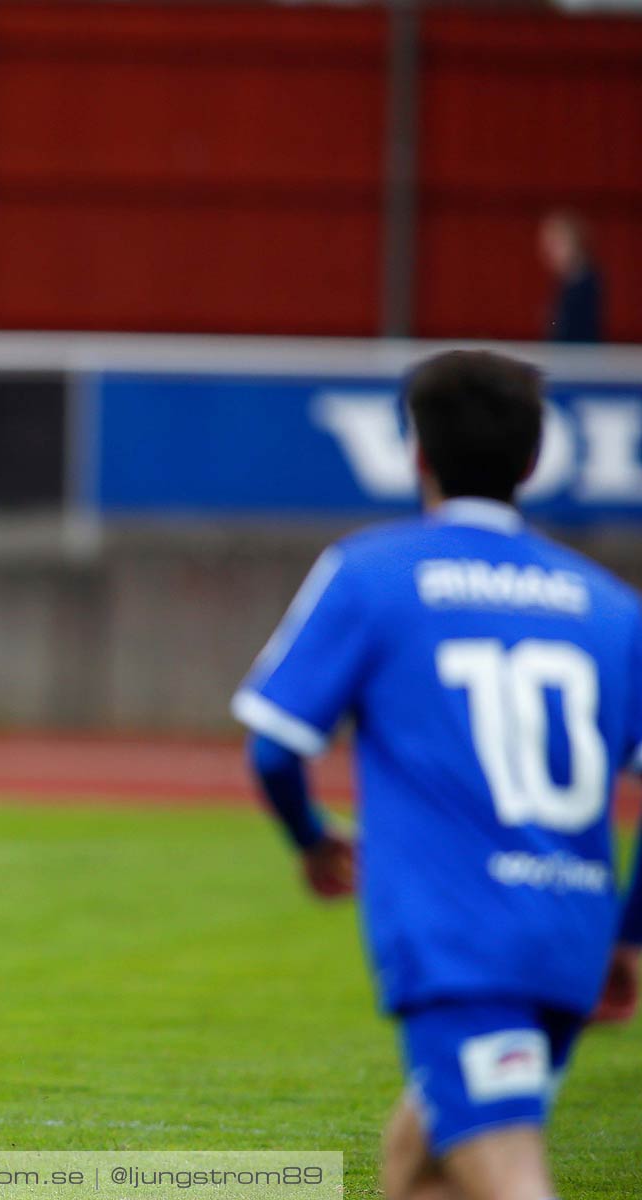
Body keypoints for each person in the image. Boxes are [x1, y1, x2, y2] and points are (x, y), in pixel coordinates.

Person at [232, 349, 641, 1200]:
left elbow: (275, 747)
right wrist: (628, 935)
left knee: (505, 1172)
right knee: (419, 1161)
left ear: (416, 452)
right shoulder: (611, 609)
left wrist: (311, 841)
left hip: (460, 943)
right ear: (534, 462)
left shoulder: (375, 575)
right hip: (568, 937)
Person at [538, 210, 603, 344]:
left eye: (554, 245)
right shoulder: (567, 285)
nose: (548, 254)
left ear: (573, 242)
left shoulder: (586, 284)